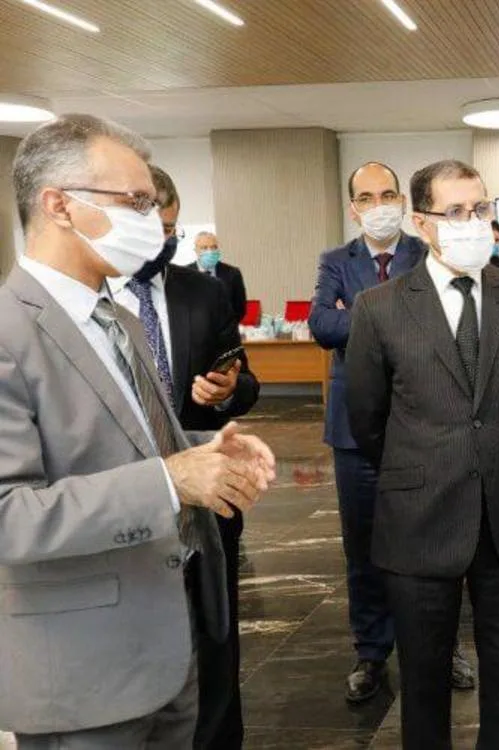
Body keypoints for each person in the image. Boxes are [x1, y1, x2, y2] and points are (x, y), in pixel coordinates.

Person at [0, 113, 274, 749]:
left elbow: (135, 441)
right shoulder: (10, 333)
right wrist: (170, 480)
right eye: (136, 202)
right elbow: (9, 513)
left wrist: (207, 451)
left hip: (172, 643)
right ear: (59, 205)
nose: (151, 221)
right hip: (84, 671)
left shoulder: (117, 319)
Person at [345, 159, 499, 749]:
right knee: (424, 676)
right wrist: (424, 465)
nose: (471, 221)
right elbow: (367, 419)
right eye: (455, 211)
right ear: (421, 222)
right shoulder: (379, 307)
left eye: (480, 209)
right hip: (420, 514)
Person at [309, 161, 475, 702]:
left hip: (421, 423)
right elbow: (321, 325)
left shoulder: (427, 254)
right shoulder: (336, 261)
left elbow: (442, 323)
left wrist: (358, 317)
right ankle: (372, 651)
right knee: (362, 546)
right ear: (352, 207)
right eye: (366, 197)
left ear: (404, 202)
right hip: (354, 431)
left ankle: (444, 647)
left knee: (436, 542)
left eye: (387, 194)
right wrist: (394, 317)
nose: (378, 205)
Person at [112, 164, 262, 749]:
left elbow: (244, 381)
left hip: (209, 499)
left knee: (216, 639)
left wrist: (228, 390)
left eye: (172, 229)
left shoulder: (203, 291)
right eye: (153, 225)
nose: (162, 239)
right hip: (123, 503)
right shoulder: (89, 300)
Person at [192, 231, 248, 324]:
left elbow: (240, 308)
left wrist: (227, 327)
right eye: (204, 248)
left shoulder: (233, 273)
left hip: (226, 330)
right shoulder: (184, 274)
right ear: (196, 250)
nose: (210, 251)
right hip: (195, 331)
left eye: (214, 247)